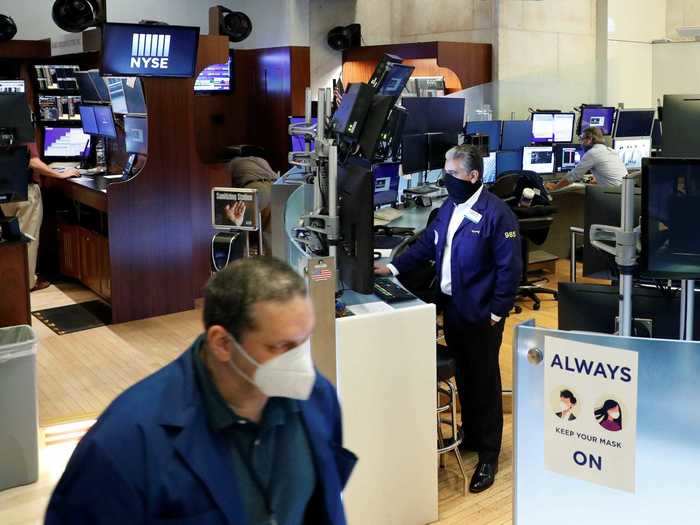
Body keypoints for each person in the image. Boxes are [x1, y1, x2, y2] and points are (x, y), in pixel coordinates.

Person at [45, 257, 356, 524]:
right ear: (222, 343)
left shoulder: (317, 399)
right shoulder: (122, 445)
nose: (301, 361)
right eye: (282, 346)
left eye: (304, 341)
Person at [375, 144, 522, 493]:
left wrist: (497, 312)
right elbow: (428, 244)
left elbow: (510, 269)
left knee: (484, 383)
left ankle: (488, 455)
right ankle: (471, 435)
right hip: (453, 308)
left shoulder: (497, 214)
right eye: (445, 170)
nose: (446, 178)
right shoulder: (449, 207)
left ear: (473, 176)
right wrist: (393, 266)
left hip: (482, 313)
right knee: (466, 377)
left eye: (452, 173)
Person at [0, 142, 79, 291]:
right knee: (28, 240)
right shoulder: (22, 126)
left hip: (6, 189)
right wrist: (59, 174)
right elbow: (32, 161)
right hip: (26, 190)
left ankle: (12, 281)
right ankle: (27, 284)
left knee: (12, 241)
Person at [544, 127, 627, 192]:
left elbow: (573, 176)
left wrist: (555, 186)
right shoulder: (609, 150)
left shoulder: (592, 153)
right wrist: (599, 180)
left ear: (589, 139)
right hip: (625, 191)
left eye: (582, 139)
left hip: (614, 194)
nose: (581, 143)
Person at [226, 156, 279, 255]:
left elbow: (238, 229)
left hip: (255, 190)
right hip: (277, 187)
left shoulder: (233, 165)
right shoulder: (259, 159)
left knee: (241, 225)